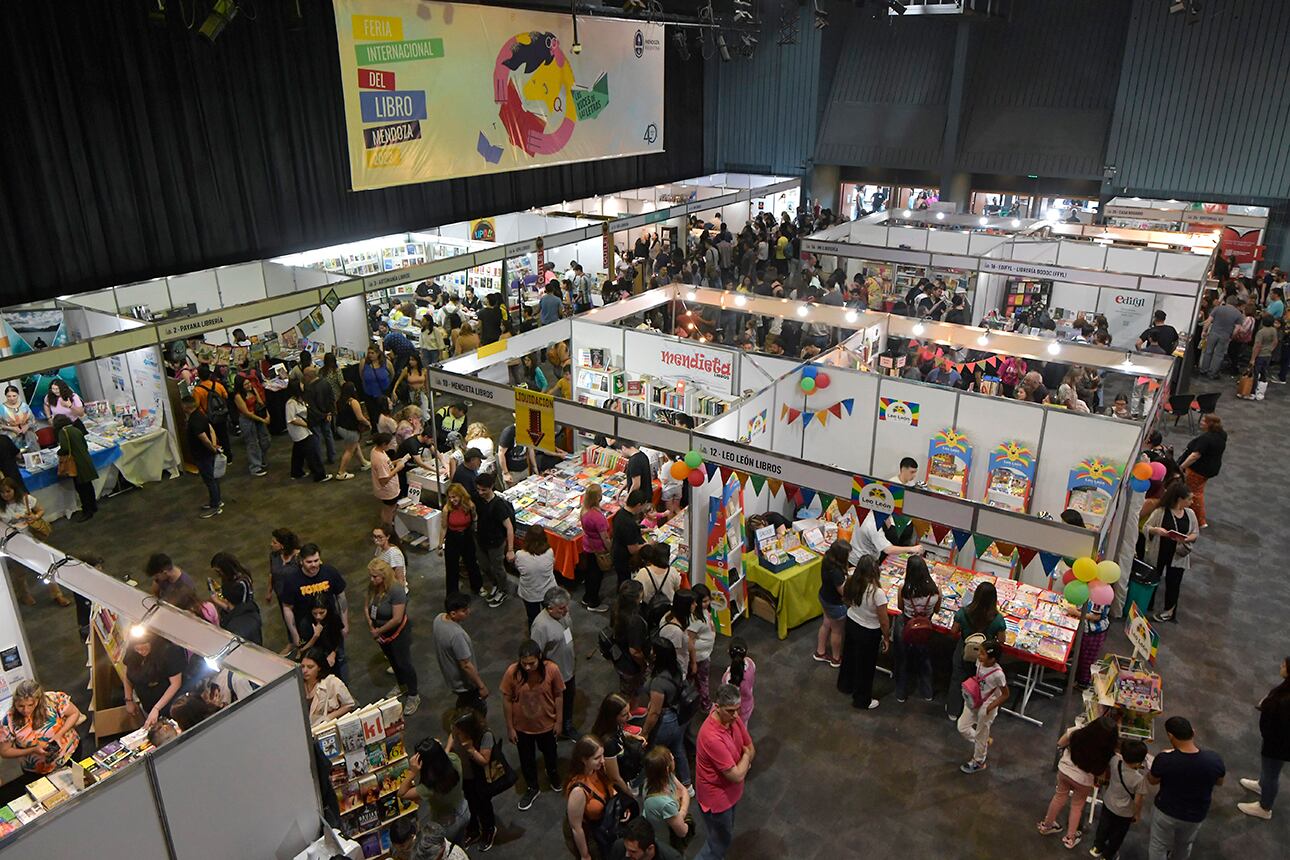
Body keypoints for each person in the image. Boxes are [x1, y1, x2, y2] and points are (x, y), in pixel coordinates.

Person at [1147, 716, 1225, 859]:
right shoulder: (1214, 760)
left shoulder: (1165, 759)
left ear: (1170, 736)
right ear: (1193, 732)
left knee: (1158, 844)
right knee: (1184, 845)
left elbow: (1152, 780)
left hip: (1166, 810)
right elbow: (1219, 782)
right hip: (1196, 814)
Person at [502, 639, 565, 811]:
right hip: (522, 728)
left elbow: (559, 695)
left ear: (539, 657)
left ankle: (552, 774)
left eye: (532, 663)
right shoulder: (512, 673)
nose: (528, 668)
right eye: (524, 664)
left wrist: (559, 721)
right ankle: (532, 787)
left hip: (547, 725)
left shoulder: (552, 670)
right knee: (526, 759)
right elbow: (506, 699)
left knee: (551, 754)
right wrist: (510, 727)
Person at [1037, 716, 1119, 848]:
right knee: (1077, 806)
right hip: (1084, 780)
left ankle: (1046, 825)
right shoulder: (1107, 752)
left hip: (1064, 770)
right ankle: (1070, 837)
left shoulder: (1077, 732)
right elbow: (1101, 772)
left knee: (1058, 797)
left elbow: (1060, 743)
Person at [695, 684, 754, 860]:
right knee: (718, 844)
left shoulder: (732, 720)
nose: (736, 715)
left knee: (723, 836)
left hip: (730, 794)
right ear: (717, 706)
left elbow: (751, 748)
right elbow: (736, 774)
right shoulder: (712, 737)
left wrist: (745, 759)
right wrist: (746, 758)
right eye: (730, 711)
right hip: (717, 799)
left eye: (738, 709)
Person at [0, 478, 69, 605]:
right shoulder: (1, 507)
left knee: (46, 567)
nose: (5, 495)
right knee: (19, 572)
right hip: (13, 543)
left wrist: (34, 516)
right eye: (2, 492)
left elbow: (40, 510)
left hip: (32, 538)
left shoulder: (26, 499)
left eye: (8, 491)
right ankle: (24, 595)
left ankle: (57, 594)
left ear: (14, 489)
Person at [0, 680, 83, 786]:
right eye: (20, 706)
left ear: (38, 700)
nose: (26, 710)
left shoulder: (52, 700)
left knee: (78, 785)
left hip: (69, 754)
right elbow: (5, 751)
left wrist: (59, 735)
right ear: (14, 702)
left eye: (30, 705)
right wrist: (32, 750)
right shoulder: (9, 721)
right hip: (37, 772)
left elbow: (74, 713)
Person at [280, 543, 349, 666]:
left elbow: (341, 597)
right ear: (301, 561)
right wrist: (294, 634)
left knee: (339, 657)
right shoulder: (292, 580)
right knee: (312, 661)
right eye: (309, 562)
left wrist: (345, 623)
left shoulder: (330, 572)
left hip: (331, 625)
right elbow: (287, 608)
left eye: (316, 561)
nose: (314, 565)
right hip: (306, 628)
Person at [946, 581, 1008, 719]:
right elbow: (1002, 640)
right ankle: (973, 712)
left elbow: (954, 631)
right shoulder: (997, 619)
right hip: (985, 654)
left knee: (957, 679)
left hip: (965, 649)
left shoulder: (963, 613)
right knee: (981, 683)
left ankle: (953, 711)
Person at [1239, 656, 1290, 820]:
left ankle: (1264, 807)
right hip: (1276, 741)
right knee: (1268, 771)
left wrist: (1267, 707)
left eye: (1284, 665)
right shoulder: (1286, 688)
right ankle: (1262, 785)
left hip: (1278, 744)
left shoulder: (1286, 701)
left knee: (1271, 773)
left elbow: (1280, 724)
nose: (1281, 666)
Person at [1142, 480, 1199, 624]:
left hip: (1178, 555)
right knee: (1153, 577)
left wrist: (1185, 539)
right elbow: (1146, 528)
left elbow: (1195, 532)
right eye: (1189, 499)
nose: (1192, 502)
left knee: (1174, 583)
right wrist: (1156, 530)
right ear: (1180, 499)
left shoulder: (1190, 514)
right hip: (1160, 551)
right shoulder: (1160, 512)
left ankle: (1169, 611)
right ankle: (1147, 604)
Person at [836, 555, 889, 711]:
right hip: (868, 631)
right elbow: (884, 620)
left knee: (849, 657)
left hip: (852, 622)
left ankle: (845, 685)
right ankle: (862, 700)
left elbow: (846, 598)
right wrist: (886, 637)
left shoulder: (852, 581)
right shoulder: (877, 593)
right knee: (866, 667)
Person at [368, 558, 419, 714]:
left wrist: (379, 630)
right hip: (380, 633)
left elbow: (397, 618)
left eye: (375, 576)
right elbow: (366, 605)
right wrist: (371, 625)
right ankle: (401, 684)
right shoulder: (374, 586)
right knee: (392, 660)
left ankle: (413, 694)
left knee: (403, 662)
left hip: (397, 633)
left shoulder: (396, 590)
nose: (371, 579)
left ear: (384, 576)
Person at [641, 639, 691, 792]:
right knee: (678, 747)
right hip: (680, 715)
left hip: (666, 720)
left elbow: (654, 713)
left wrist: (644, 733)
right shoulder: (675, 667)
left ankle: (655, 785)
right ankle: (687, 785)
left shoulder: (658, 683)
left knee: (654, 754)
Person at [446, 708, 497, 850]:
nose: (455, 732)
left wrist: (471, 749)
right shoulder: (456, 729)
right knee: (469, 803)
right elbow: (451, 735)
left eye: (458, 730)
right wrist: (447, 750)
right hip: (463, 774)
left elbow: (484, 760)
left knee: (483, 804)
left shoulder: (485, 735)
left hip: (479, 777)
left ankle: (489, 830)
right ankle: (473, 830)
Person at [532, 586, 579, 740]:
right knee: (557, 702)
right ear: (549, 608)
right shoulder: (540, 626)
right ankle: (557, 728)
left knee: (569, 698)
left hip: (569, 667)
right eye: (561, 608)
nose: (565, 611)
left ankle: (567, 723)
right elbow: (535, 654)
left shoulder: (562, 614)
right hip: (556, 673)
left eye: (566, 607)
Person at [1091, 738, 1150, 859]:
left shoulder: (1115, 761)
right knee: (1117, 835)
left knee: (1103, 826)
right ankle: (1107, 855)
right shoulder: (1139, 779)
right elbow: (1138, 800)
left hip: (1108, 802)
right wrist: (1136, 814)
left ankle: (1097, 847)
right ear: (1139, 762)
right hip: (1125, 812)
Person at [401, 737, 468, 842]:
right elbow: (443, 759)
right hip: (464, 810)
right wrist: (437, 749)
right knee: (460, 840)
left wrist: (413, 772)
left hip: (445, 825)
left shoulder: (428, 788)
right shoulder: (454, 760)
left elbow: (402, 793)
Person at [893, 554, 940, 703]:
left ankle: (901, 693)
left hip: (907, 626)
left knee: (903, 660)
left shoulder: (904, 589)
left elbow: (900, 608)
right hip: (925, 628)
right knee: (925, 660)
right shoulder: (935, 591)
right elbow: (937, 610)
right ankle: (927, 692)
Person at [956, 640, 1009, 774]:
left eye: (983, 653)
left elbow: (1005, 694)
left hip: (987, 704)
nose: (979, 655)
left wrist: (990, 707)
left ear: (993, 658)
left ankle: (978, 761)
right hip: (974, 699)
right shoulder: (979, 663)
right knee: (962, 727)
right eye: (979, 652)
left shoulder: (998, 674)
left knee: (981, 733)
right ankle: (984, 741)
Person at [564, 735, 618, 860]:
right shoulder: (578, 791)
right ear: (583, 760)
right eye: (597, 758)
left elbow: (610, 789)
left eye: (602, 755)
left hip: (603, 825)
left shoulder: (597, 770)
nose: (603, 760)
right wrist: (585, 855)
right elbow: (576, 828)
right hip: (589, 834)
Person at [434, 593, 489, 713]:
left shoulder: (439, 618)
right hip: (464, 683)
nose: (468, 612)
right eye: (464, 611)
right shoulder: (457, 635)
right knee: (475, 708)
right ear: (453, 613)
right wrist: (481, 686)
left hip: (450, 676)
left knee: (464, 702)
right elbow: (466, 665)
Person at [122, 632, 186, 729]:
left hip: (169, 703)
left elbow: (176, 684)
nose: (141, 652)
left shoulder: (169, 651)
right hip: (147, 703)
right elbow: (127, 675)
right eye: (137, 649)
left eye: (144, 648)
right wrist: (129, 699)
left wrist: (157, 708)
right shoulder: (132, 653)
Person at [639, 747, 691, 853]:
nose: (673, 758)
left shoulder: (655, 780)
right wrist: (683, 811)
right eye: (671, 758)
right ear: (667, 769)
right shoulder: (665, 803)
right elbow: (683, 831)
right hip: (667, 844)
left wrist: (679, 811)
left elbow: (684, 791)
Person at [1178, 412, 1226, 529]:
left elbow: (1195, 455)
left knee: (1194, 493)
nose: (1201, 422)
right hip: (1210, 469)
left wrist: (1182, 466)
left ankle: (1199, 520)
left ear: (1210, 424)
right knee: (1197, 491)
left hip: (1198, 471)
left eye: (1204, 421)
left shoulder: (1206, 438)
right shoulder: (1222, 434)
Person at [474, 472, 514, 607]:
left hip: (496, 543)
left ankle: (503, 590)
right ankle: (496, 583)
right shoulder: (478, 499)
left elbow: (509, 527)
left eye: (483, 490)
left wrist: (510, 550)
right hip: (481, 541)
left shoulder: (498, 505)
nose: (480, 492)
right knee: (484, 566)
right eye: (478, 489)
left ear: (491, 487)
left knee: (498, 568)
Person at [591, 693, 642, 798]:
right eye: (624, 715)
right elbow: (615, 778)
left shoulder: (614, 726)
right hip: (619, 780)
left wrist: (633, 736)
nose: (630, 716)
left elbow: (620, 732)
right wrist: (629, 794)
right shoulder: (609, 743)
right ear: (612, 716)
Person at [181, 394, 223, 517]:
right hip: (208, 453)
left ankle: (215, 506)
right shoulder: (200, 415)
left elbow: (203, 438)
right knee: (213, 479)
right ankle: (216, 501)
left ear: (185, 406)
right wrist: (214, 445)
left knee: (210, 480)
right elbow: (210, 430)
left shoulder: (194, 421)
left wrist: (211, 447)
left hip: (203, 455)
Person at [208, 551, 262, 645]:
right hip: (230, 613)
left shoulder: (243, 582)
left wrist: (217, 601)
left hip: (243, 616)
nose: (217, 574)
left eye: (218, 571)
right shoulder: (227, 578)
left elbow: (243, 606)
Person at [438, 481, 483, 595]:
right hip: (453, 538)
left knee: (471, 562)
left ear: (461, 495)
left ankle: (477, 586)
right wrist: (440, 545)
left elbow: (474, 519)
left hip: (467, 536)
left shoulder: (470, 506)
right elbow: (443, 527)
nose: (452, 500)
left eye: (454, 497)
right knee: (452, 567)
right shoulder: (446, 509)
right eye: (450, 497)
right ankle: (452, 593)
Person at [53, 414, 98, 522]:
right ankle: (93, 506)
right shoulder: (76, 429)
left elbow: (65, 448)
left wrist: (58, 452)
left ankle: (87, 511)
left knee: (81, 488)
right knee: (88, 486)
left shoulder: (63, 432)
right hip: (85, 460)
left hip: (76, 463)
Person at [812, 540, 850, 668]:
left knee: (826, 624)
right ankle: (836, 658)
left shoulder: (827, 560)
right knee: (837, 631)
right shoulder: (837, 573)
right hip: (835, 604)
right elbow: (843, 592)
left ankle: (820, 651)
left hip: (824, 596)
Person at [286, 380, 330, 483]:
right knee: (312, 452)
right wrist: (306, 424)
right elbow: (291, 419)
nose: (303, 385)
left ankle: (296, 472)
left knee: (298, 452)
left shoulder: (300, 399)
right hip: (299, 431)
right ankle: (319, 475)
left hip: (304, 429)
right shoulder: (290, 403)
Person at [612, 584, 649, 706]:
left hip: (619, 658)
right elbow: (634, 651)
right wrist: (644, 664)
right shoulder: (635, 621)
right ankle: (627, 716)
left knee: (626, 689)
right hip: (631, 665)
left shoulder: (616, 609)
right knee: (630, 693)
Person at [580, 482, 614, 612]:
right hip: (598, 549)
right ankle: (593, 603)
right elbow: (604, 537)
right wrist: (610, 549)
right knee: (596, 575)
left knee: (589, 573)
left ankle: (587, 596)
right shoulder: (596, 517)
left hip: (588, 546)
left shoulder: (584, 510)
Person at [300, 647, 355, 725]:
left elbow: (349, 704)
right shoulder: (298, 684)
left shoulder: (332, 682)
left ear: (319, 667)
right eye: (302, 666)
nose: (305, 671)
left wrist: (328, 718)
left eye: (310, 667)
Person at [232, 370, 271, 476]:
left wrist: (267, 415)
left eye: (248, 383)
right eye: (245, 384)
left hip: (258, 415)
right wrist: (262, 419)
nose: (248, 385)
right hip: (247, 420)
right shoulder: (238, 396)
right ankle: (255, 466)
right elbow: (246, 413)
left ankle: (262, 459)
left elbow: (261, 403)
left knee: (265, 439)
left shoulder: (253, 389)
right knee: (252, 443)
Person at [517, 526, 558, 626]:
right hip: (548, 591)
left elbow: (519, 569)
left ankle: (536, 638)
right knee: (552, 617)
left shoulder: (520, 555)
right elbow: (553, 564)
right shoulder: (549, 552)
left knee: (533, 619)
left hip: (530, 593)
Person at [265, 527, 301, 634]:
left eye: (274, 542)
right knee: (288, 620)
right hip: (282, 595)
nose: (271, 544)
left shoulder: (299, 557)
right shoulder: (274, 556)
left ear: (283, 545)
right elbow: (272, 573)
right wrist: (269, 591)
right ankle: (293, 641)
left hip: (298, 596)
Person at [369, 431, 409, 527]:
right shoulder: (380, 459)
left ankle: (388, 525)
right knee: (389, 510)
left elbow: (387, 464)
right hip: (387, 490)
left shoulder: (376, 451)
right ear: (384, 444)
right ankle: (387, 528)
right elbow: (384, 479)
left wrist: (395, 462)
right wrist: (398, 468)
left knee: (388, 508)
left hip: (389, 488)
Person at [1200, 295, 1243, 377]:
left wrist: (1204, 331)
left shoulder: (1218, 308)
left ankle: (1203, 370)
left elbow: (1209, 321)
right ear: (1236, 303)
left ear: (1227, 301)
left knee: (1208, 352)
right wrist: (1232, 337)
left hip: (1213, 333)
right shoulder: (1238, 314)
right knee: (1219, 355)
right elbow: (1237, 329)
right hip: (1225, 336)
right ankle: (1212, 373)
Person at [612, 490, 650, 584]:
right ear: (638, 505)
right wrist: (648, 544)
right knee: (626, 582)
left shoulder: (620, 513)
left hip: (616, 551)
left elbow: (625, 533)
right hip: (625, 559)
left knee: (621, 579)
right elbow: (633, 549)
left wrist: (642, 531)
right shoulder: (629, 523)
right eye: (643, 505)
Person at [303, 366, 337, 467]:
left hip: (316, 417)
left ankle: (318, 460)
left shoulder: (309, 388)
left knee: (316, 439)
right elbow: (332, 398)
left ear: (308, 376)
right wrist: (330, 413)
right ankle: (332, 456)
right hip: (327, 415)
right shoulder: (325, 383)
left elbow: (311, 406)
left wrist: (323, 414)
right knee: (328, 435)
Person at [720, 638, 756, 725]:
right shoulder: (751, 663)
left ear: (728, 652)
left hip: (736, 711)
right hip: (748, 704)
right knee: (743, 727)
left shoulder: (728, 678)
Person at [360, 344, 393, 425]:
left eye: (372, 353)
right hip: (369, 393)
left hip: (383, 393)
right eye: (369, 353)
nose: (370, 355)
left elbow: (392, 374)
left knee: (384, 414)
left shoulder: (386, 363)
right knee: (372, 414)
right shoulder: (364, 363)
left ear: (378, 353)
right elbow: (361, 376)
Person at [0, 385, 38, 451]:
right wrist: (12, 428)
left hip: (27, 433)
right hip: (10, 436)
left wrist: (27, 426)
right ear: (5, 396)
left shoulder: (24, 406)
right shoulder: (2, 409)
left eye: (14, 396)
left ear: (18, 395)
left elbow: (32, 420)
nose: (12, 398)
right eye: (9, 396)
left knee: (31, 441)